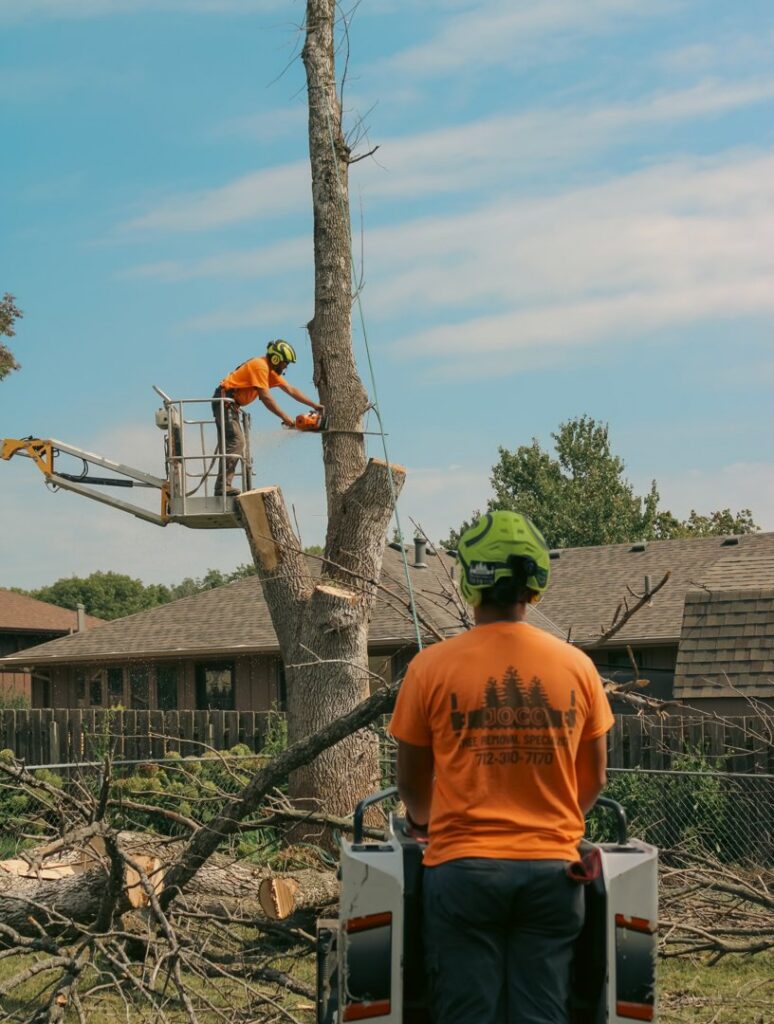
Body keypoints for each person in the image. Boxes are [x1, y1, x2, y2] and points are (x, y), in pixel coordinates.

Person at [389, 510, 614, 1024]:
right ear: (535, 585)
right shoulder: (578, 667)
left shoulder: (430, 668)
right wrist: (555, 823)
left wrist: (424, 825)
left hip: (462, 874)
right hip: (555, 876)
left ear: (470, 580)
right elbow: (595, 777)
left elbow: (411, 783)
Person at [212, 339, 323, 495]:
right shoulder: (260, 366)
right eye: (285, 363)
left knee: (235, 443)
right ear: (276, 358)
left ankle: (223, 485)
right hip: (225, 401)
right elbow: (266, 398)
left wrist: (315, 406)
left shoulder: (269, 371)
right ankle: (222, 487)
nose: (286, 367)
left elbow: (291, 389)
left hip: (231, 404)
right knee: (237, 441)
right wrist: (286, 418)